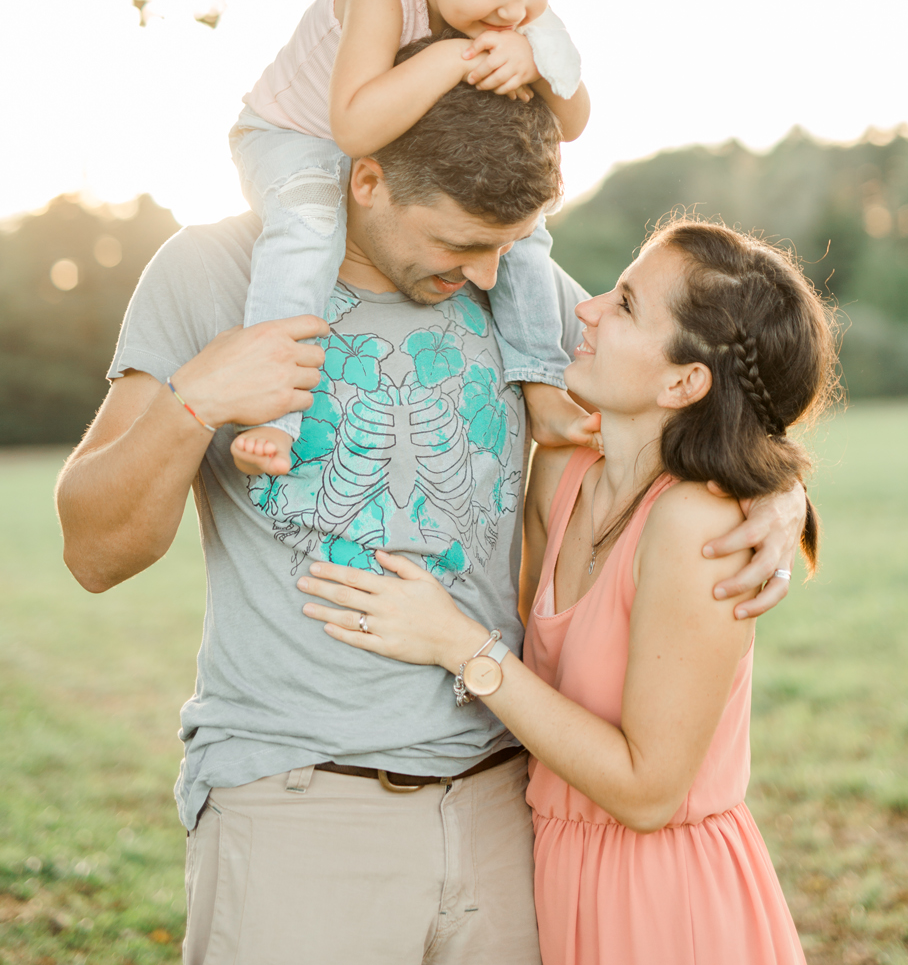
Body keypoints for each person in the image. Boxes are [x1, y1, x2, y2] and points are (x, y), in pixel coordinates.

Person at [57, 52, 806, 965]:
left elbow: (704, 390)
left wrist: (778, 493)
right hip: (298, 806)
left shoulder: (516, 286)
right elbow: (94, 553)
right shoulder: (213, 273)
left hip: (507, 813)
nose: (488, 272)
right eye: (460, 244)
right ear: (367, 180)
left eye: (509, 243)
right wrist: (195, 402)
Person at [297, 217, 836, 964]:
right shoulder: (564, 472)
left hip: (665, 903)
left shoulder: (697, 528)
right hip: (556, 876)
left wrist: (459, 645)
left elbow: (649, 792)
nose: (584, 308)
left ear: (684, 382)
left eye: (624, 305)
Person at [229, 0, 594, 475]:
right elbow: (353, 128)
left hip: (394, 153)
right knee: (310, 222)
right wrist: (454, 58)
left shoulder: (511, 3)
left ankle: (542, 385)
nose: (514, 9)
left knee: (516, 226)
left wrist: (537, 59)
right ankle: (271, 411)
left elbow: (573, 121)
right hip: (295, 133)